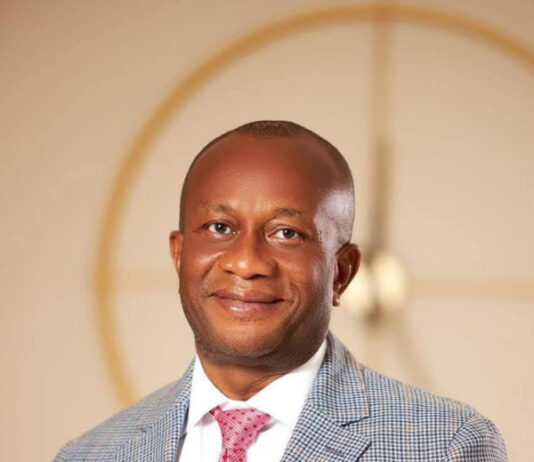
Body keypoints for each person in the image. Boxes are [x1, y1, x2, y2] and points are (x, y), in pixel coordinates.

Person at [54, 121, 507, 461]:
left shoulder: (445, 445)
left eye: (286, 233)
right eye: (220, 227)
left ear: (342, 272)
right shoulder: (90, 455)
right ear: (179, 254)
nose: (246, 263)